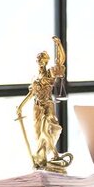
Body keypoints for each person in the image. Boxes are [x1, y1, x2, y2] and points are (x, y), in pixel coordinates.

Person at [16, 36, 72, 173]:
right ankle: (43, 158)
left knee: (46, 131)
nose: (40, 62)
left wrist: (58, 45)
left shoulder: (50, 75)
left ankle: (55, 154)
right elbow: (31, 94)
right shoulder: (35, 79)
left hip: (47, 106)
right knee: (38, 135)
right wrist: (20, 106)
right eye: (38, 60)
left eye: (42, 60)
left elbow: (61, 60)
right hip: (37, 108)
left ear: (46, 61)